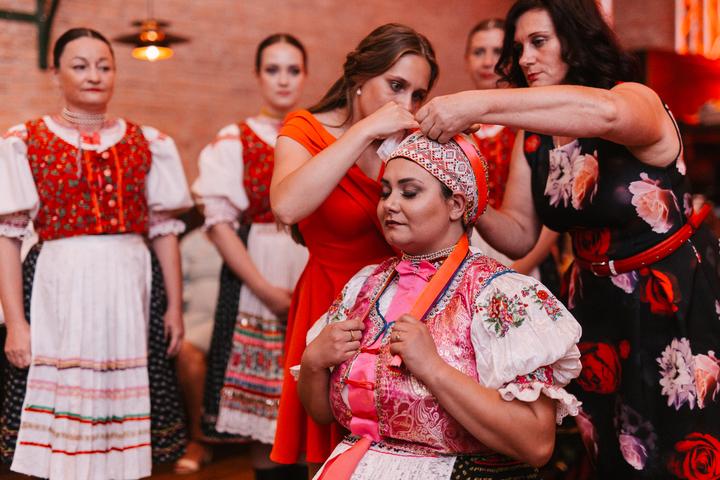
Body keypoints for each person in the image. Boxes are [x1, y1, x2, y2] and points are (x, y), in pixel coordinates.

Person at [415, 0, 720, 477]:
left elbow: (605, 115)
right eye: (519, 47)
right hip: (593, 305)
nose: (525, 58)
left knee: (685, 448)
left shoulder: (632, 98)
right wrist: (467, 196)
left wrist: (478, 102)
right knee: (611, 451)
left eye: (539, 42)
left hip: (673, 299)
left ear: (576, 42)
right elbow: (520, 234)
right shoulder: (535, 137)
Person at [298, 131, 582, 479]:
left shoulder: (500, 296)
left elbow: (536, 445)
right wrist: (313, 363)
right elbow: (323, 414)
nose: (390, 204)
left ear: (456, 205)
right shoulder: (365, 287)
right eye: (385, 192)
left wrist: (433, 368)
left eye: (409, 192)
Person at [0, 28, 192, 479]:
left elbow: (164, 231)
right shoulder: (25, 140)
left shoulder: (147, 142)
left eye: (104, 66)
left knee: (121, 424)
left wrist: (174, 308)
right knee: (62, 415)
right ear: (56, 74)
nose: (94, 76)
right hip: (58, 287)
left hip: (130, 289)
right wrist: (16, 323)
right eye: (80, 66)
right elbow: (7, 236)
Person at [269, 23, 438, 474]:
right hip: (327, 301)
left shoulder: (407, 148)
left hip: (399, 307)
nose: (406, 105)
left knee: (391, 449)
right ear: (360, 77)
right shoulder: (305, 129)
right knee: (328, 453)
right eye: (396, 86)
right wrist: (364, 131)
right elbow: (287, 206)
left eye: (418, 94)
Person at [192, 34, 310, 478]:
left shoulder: (318, 135)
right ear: (258, 76)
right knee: (264, 413)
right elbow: (219, 225)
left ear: (305, 76)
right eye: (273, 70)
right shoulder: (235, 139)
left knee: (312, 399)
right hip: (256, 270)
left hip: (310, 264)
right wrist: (264, 290)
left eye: (293, 70)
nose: (283, 80)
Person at [465, 18, 560, 285]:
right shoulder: (456, 125)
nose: (488, 62)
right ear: (466, 60)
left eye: (497, 52)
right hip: (471, 251)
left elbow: (554, 204)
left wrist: (518, 270)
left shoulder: (531, 125)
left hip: (529, 253)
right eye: (478, 52)